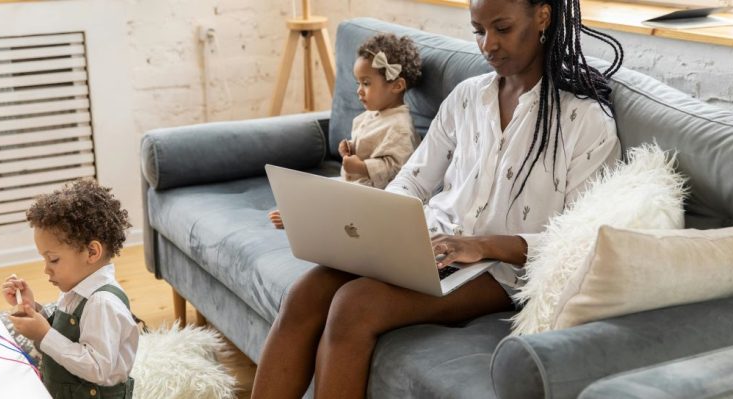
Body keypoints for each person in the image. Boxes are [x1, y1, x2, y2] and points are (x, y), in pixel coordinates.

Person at [251, 0, 625, 397]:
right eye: (478, 30)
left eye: (502, 28)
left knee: (353, 306)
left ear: (543, 17)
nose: (488, 45)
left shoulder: (586, 121)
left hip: (500, 270)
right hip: (432, 242)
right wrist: (365, 220)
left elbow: (580, 244)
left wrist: (479, 246)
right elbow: (412, 181)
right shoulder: (467, 97)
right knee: (304, 293)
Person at [268, 33, 422, 229]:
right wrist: (350, 148)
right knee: (316, 188)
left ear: (397, 85)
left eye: (366, 83)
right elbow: (368, 145)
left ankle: (303, 217)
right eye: (358, 83)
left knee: (335, 202)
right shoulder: (373, 114)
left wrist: (361, 167)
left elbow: (396, 168)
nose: (359, 90)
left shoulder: (399, 126)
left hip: (376, 193)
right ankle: (301, 207)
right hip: (354, 184)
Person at [2, 179, 138, 399]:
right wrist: (33, 309)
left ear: (91, 253)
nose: (46, 269)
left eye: (53, 259)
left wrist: (43, 334)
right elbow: (67, 331)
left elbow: (98, 368)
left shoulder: (102, 304)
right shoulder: (76, 288)